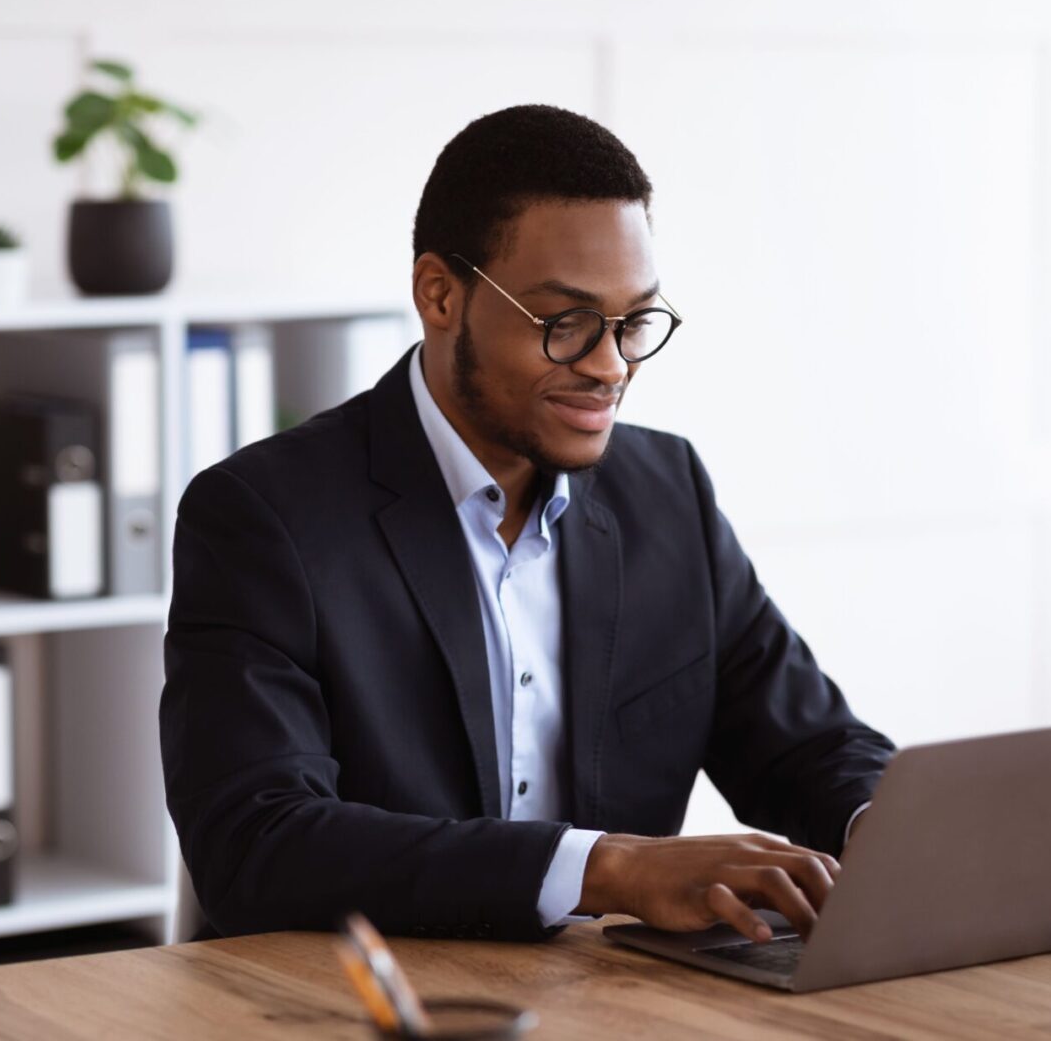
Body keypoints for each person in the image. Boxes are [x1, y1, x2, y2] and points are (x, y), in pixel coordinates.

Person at [161, 104, 895, 947]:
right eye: (566, 324)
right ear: (440, 294)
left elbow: (805, 745)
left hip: (606, 1004)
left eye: (634, 323)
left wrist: (881, 825)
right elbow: (256, 845)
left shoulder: (667, 493)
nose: (609, 365)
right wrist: (605, 870)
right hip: (355, 1004)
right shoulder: (264, 516)